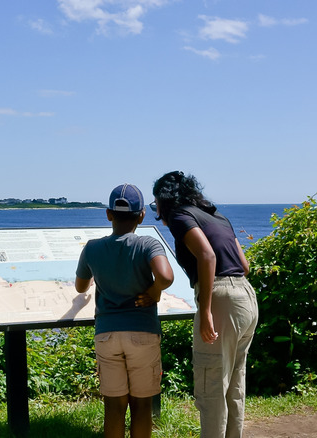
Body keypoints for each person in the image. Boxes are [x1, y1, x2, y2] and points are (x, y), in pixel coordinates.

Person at [149, 171, 258, 438]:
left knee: (211, 388)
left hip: (220, 299)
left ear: (164, 201)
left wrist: (207, 309)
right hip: (246, 297)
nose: (157, 211)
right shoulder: (218, 216)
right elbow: (244, 266)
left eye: (156, 204)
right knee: (234, 384)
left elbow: (207, 256)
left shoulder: (179, 215)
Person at [75, 183, 174, 438]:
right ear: (141, 215)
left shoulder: (92, 248)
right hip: (142, 332)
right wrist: (153, 292)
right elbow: (165, 276)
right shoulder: (147, 245)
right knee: (142, 405)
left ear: (109, 214)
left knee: (114, 407)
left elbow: (80, 286)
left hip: (107, 334)